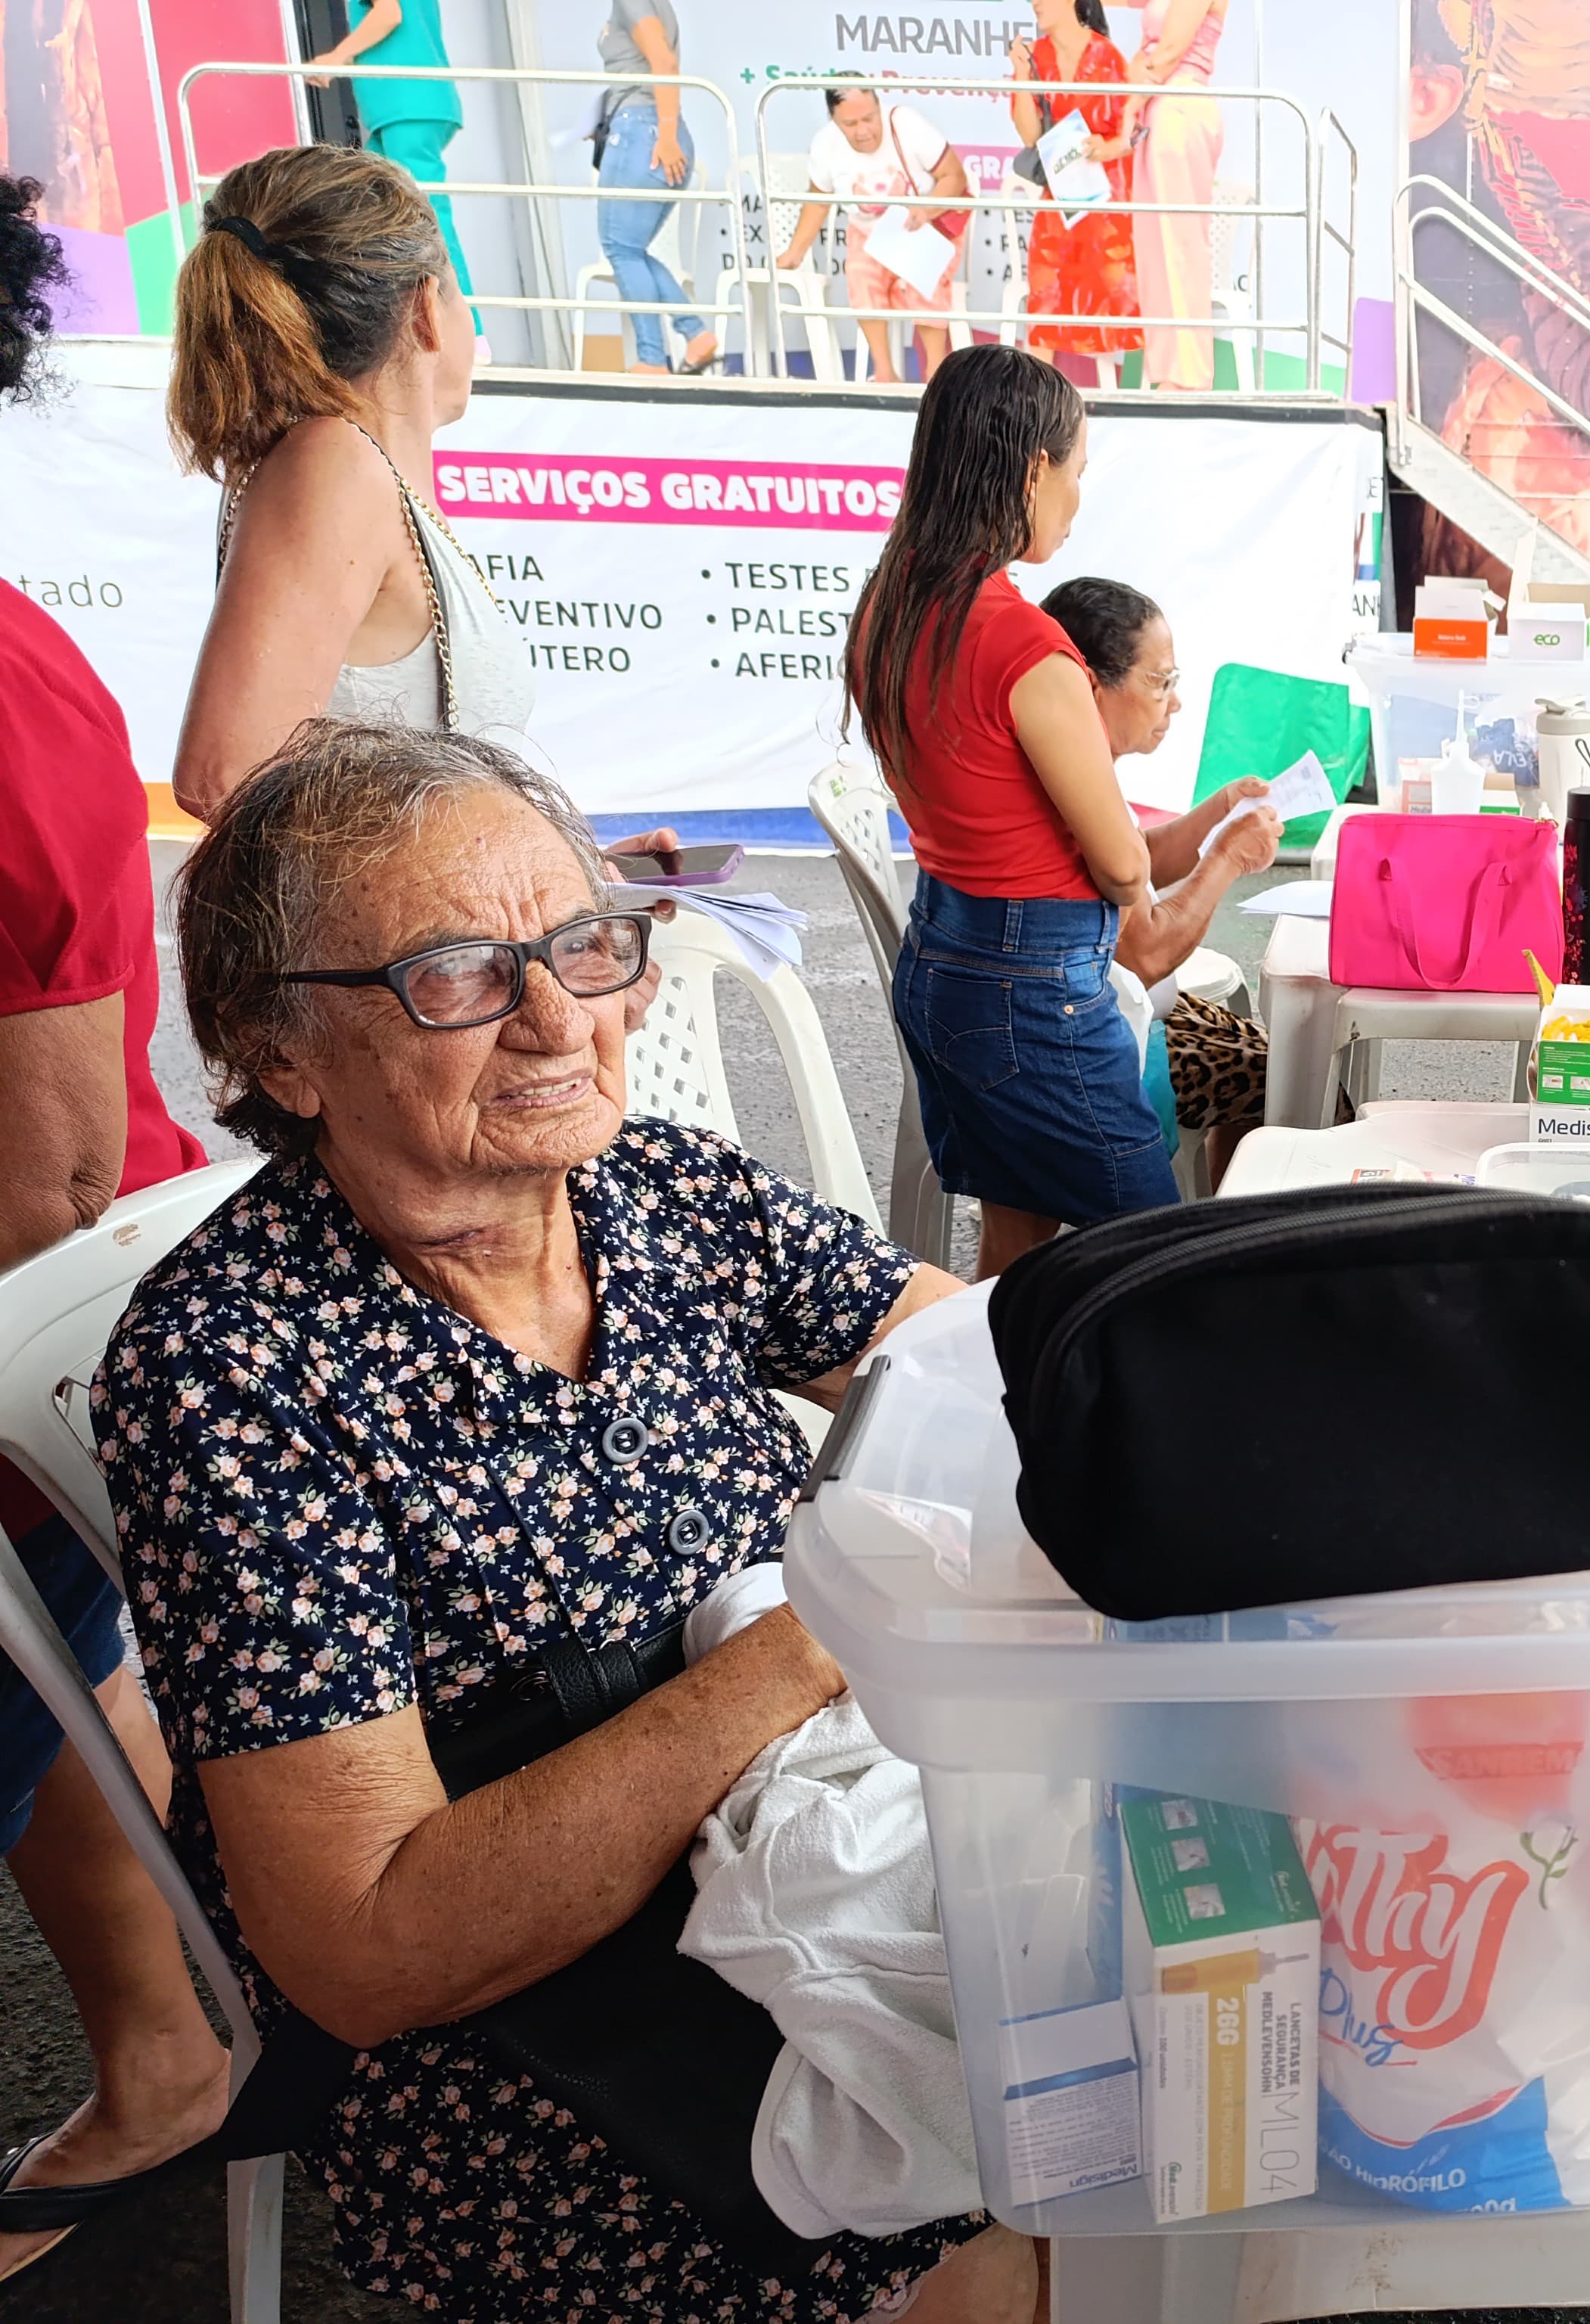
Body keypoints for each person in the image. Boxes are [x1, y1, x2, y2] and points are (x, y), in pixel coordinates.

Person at [88, 722, 1043, 2324]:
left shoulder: (653, 1193)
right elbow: (368, 1945)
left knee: (1237, 1996)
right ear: (279, 1050)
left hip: (821, 1846)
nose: (561, 1020)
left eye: (588, 947)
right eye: (458, 976)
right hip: (557, 2040)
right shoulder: (234, 1373)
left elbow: (990, 1368)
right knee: (1146, 2181)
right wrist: (818, 1637)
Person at [0, 183, 231, 2286]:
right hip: (97, 1270)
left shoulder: (9, 689)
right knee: (83, 1675)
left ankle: (203, 2032)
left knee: (68, 1653)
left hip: (65, 1288)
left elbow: (53, 1175)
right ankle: (189, 2038)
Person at [845, 346, 1166, 1271]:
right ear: (1034, 469)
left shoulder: (891, 605)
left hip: (946, 960)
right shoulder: (1025, 642)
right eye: (1075, 472)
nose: (1076, 498)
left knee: (1016, 1246)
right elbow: (1121, 862)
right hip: (1036, 988)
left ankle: (993, 1416)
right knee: (1153, 1261)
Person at [166, 142, 532, 822]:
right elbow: (224, 777)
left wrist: (561, 875)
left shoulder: (355, 469)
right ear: (425, 309)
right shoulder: (334, 464)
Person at [1042, 576, 1280, 1189]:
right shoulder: (1066, 789)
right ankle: (1228, 1249)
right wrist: (1225, 858)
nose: (1173, 702)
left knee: (1290, 1060)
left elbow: (1139, 854)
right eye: (1158, 681)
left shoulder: (1077, 764)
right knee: (1290, 1084)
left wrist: (1216, 814)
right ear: (1089, 685)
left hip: (1129, 1011)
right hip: (1113, 1030)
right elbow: (1144, 954)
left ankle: (1222, 1231)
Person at [774, 83, 975, 386]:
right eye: (851, 124)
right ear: (834, 119)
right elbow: (818, 200)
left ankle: (936, 375)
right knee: (859, 273)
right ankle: (885, 372)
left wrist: (927, 208)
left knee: (921, 275)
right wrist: (795, 252)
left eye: (869, 118)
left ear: (879, 108)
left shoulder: (905, 123)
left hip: (925, 227)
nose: (863, 130)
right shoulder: (825, 144)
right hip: (870, 233)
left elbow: (954, 176)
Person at [303, 0, 477, 328]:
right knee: (383, 216)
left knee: (426, 219)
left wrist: (336, 56)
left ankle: (468, 331)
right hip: (404, 107)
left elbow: (388, 13)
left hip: (407, 105)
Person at [1005, 3, 1140, 387]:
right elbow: (1029, 135)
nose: (1037, 3)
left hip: (1105, 198)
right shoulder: (1037, 57)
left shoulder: (1107, 56)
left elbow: (1131, 134)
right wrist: (1020, 73)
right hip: (1060, 196)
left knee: (1119, 289)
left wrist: (1105, 145)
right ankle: (1037, 406)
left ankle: (1132, 394)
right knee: (1044, 290)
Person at [591, 0, 719, 374]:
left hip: (642, 131)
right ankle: (694, 334)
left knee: (622, 249)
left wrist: (664, 138)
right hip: (647, 128)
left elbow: (664, 63)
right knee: (630, 249)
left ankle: (652, 359)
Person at [1129, 0, 1227, 390]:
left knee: (1181, 247)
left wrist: (1128, 109)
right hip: (1156, 109)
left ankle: (1190, 377)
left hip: (1181, 105)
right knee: (1154, 250)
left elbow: (1170, 51)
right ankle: (1168, 373)